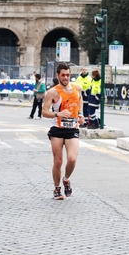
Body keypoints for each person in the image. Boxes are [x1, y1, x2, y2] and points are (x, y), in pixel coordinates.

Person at [42, 62, 84, 200]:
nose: (66, 78)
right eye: (63, 75)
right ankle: (57, 188)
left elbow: (80, 100)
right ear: (58, 75)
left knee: (72, 159)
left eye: (68, 75)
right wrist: (57, 114)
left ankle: (66, 179)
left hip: (72, 128)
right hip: (57, 129)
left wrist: (81, 114)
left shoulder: (77, 88)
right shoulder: (52, 92)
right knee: (58, 161)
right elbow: (44, 112)